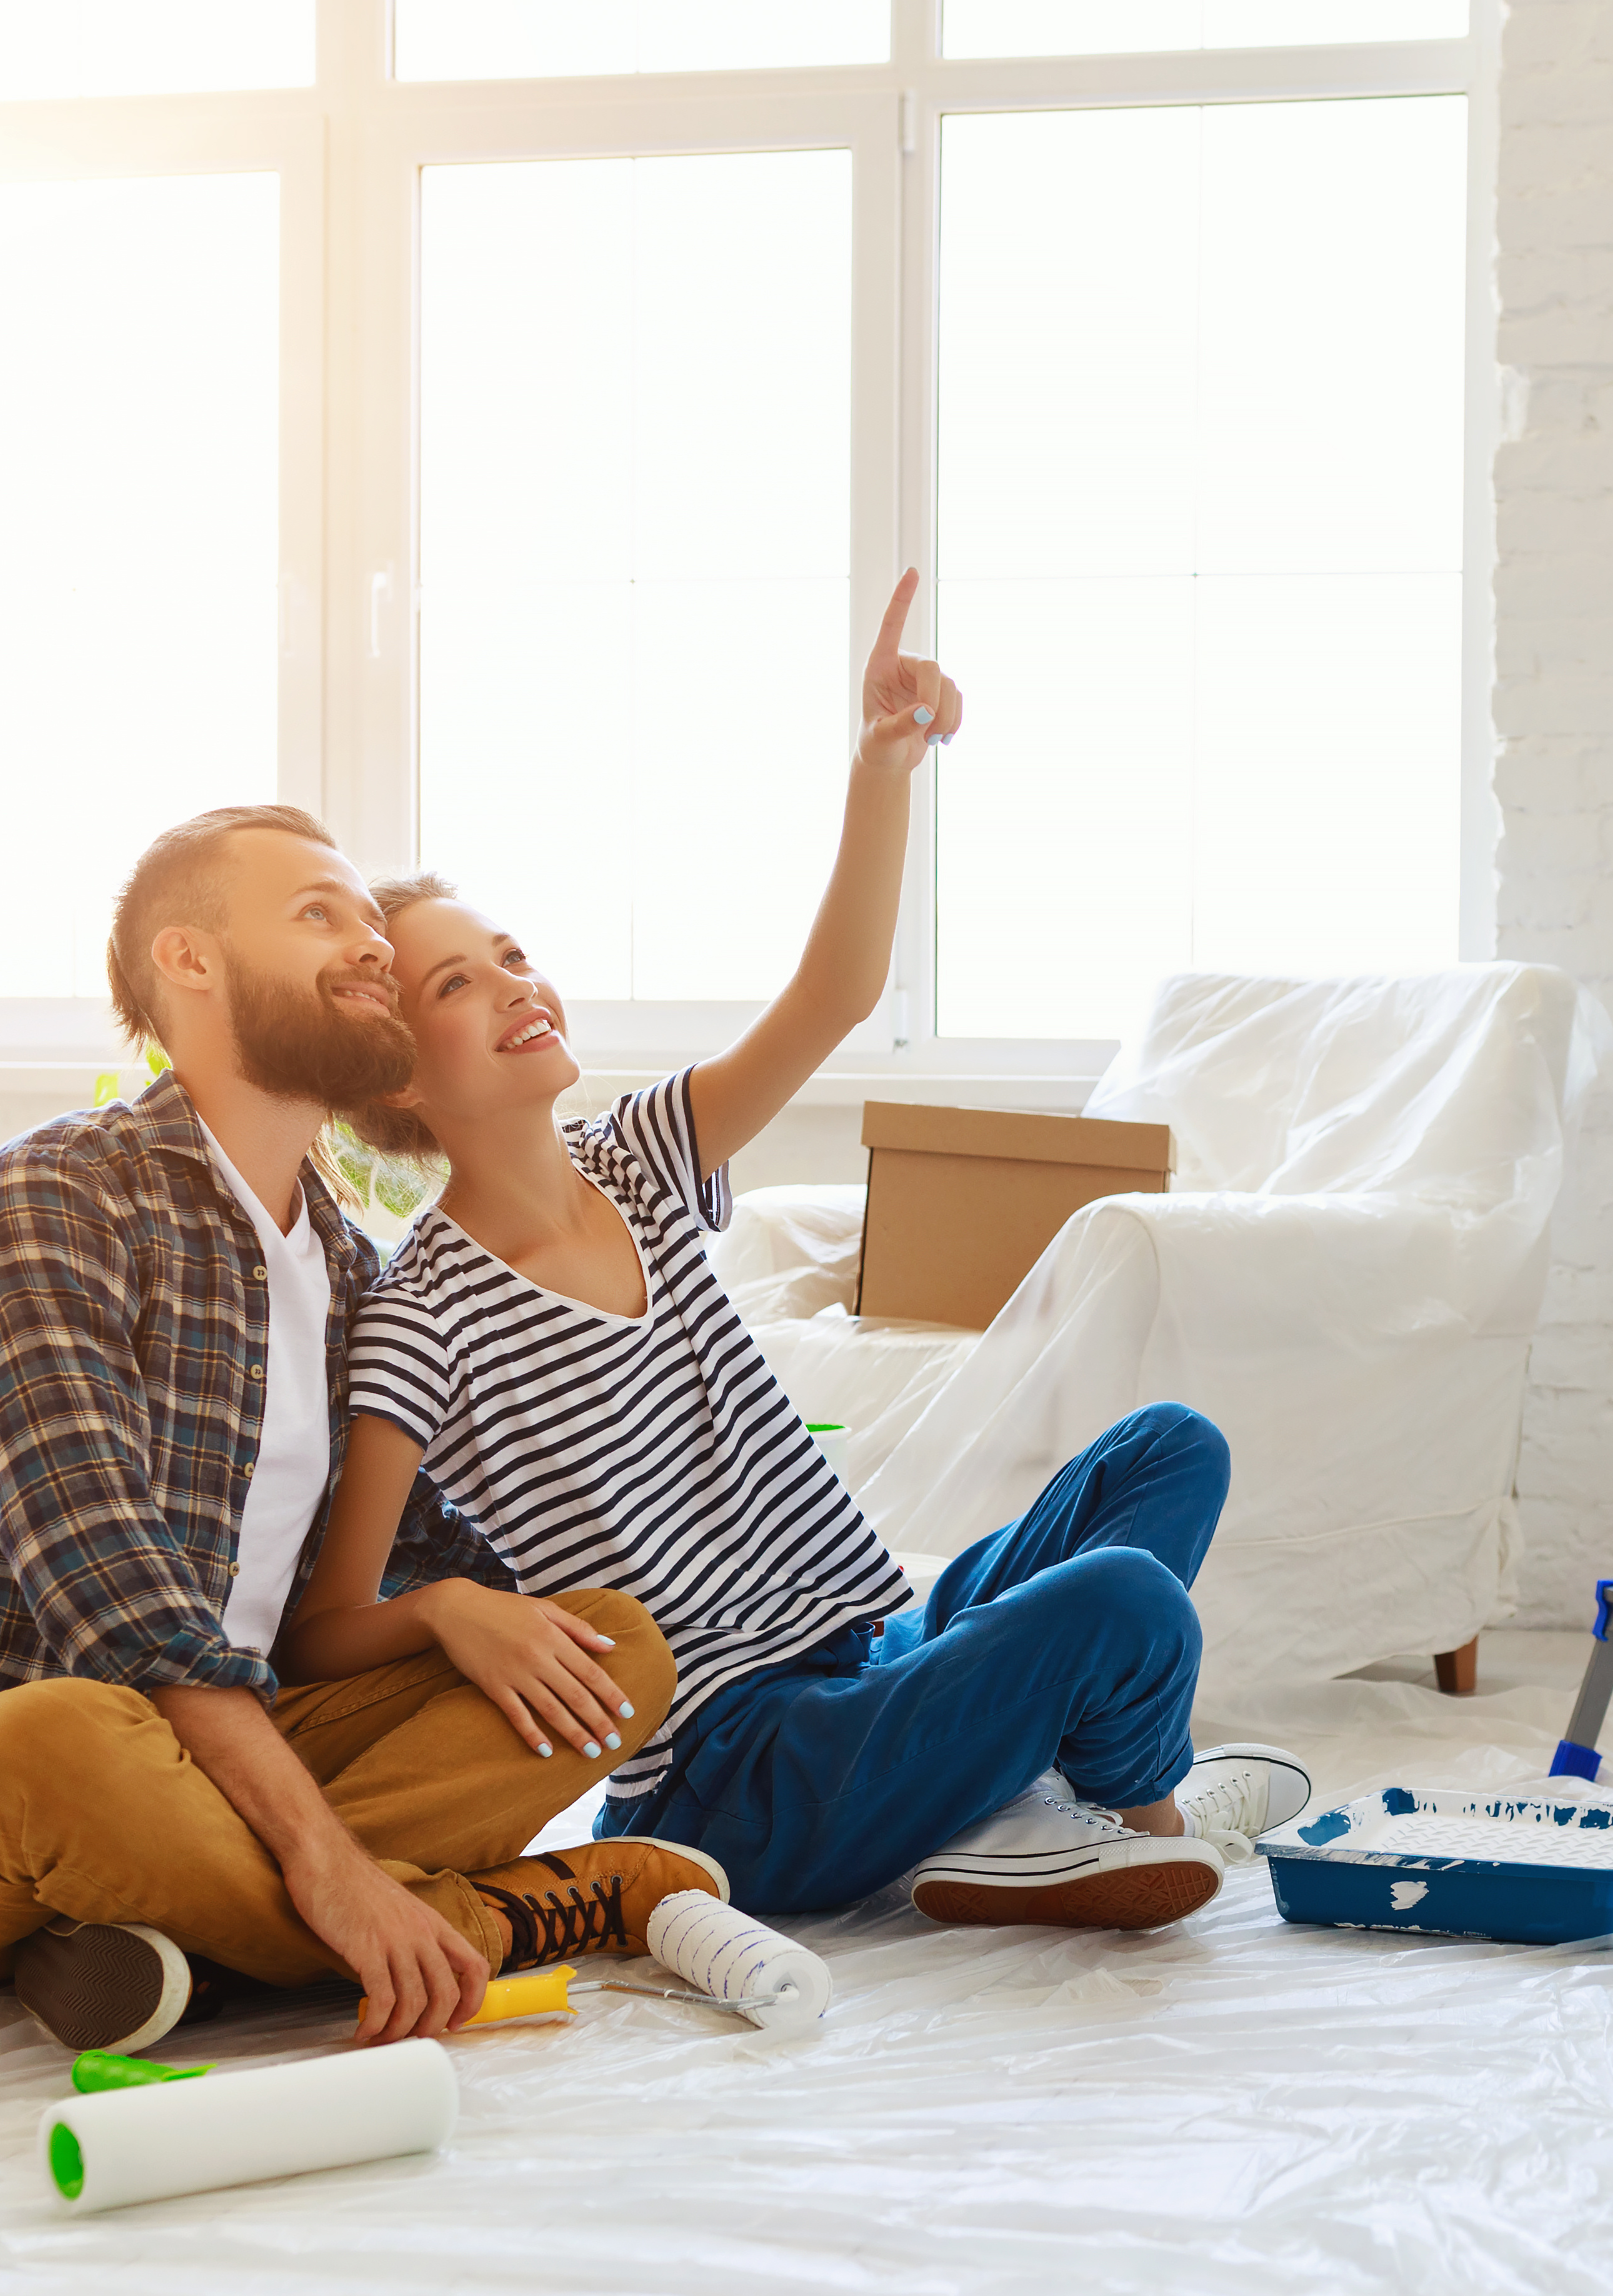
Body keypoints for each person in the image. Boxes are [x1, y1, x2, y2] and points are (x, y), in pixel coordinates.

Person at [279, 572, 1314, 1925]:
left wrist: (882, 764)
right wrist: (445, 1612)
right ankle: (1133, 1815)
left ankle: (1007, 1808)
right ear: (403, 1077)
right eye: (457, 984)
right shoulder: (423, 1314)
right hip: (741, 1770)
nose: (517, 984)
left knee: (1170, 1449)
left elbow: (833, 994)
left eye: (513, 953)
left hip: (869, 1650)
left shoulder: (636, 1155)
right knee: (1124, 1601)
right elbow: (325, 1623)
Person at [0, 803, 725, 2060]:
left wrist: (453, 1607)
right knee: (62, 1731)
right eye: (317, 914)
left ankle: (160, 1944)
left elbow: (400, 1564)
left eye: (370, 922)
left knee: (607, 1645)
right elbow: (112, 1595)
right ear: (190, 960)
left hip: (233, 1756)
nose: (371, 944)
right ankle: (482, 1917)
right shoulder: (57, 1194)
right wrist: (329, 1863)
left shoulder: (348, 1273)